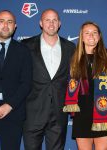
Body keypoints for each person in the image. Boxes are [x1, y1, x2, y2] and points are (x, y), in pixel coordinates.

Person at [22, 9, 75, 150]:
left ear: (59, 23)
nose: (51, 24)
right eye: (47, 20)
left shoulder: (70, 47)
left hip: (59, 113)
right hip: (32, 113)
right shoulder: (26, 45)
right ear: (41, 23)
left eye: (54, 20)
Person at [63, 21, 107, 150]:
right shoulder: (73, 58)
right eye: (87, 33)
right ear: (81, 36)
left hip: (103, 111)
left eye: (94, 32)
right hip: (82, 114)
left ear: (99, 36)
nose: (91, 35)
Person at [0, 10, 32, 150]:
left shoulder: (23, 50)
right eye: (1, 21)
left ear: (15, 26)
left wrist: (9, 105)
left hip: (13, 113)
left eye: (10, 22)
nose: (5, 25)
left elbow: (26, 83)